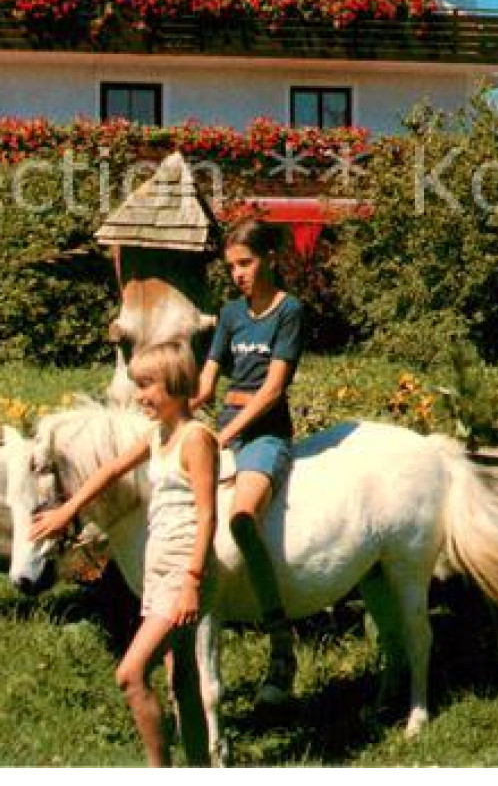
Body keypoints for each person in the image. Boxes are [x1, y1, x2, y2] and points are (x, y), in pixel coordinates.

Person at [30, 341, 218, 767]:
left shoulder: (196, 439)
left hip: (184, 570)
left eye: (148, 386)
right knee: (183, 681)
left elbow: (208, 514)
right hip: (160, 565)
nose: (139, 396)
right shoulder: (159, 434)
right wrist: (67, 511)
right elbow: (111, 469)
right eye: (138, 386)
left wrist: (192, 581)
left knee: (130, 675)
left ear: (175, 384)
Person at [191, 218, 305, 706]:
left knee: (240, 519)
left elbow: (273, 390)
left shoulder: (289, 311)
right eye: (232, 266)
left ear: (269, 259)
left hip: (264, 435)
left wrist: (226, 435)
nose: (238, 274)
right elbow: (206, 383)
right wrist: (177, 407)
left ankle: (281, 644)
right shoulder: (231, 313)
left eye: (246, 263)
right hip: (225, 426)